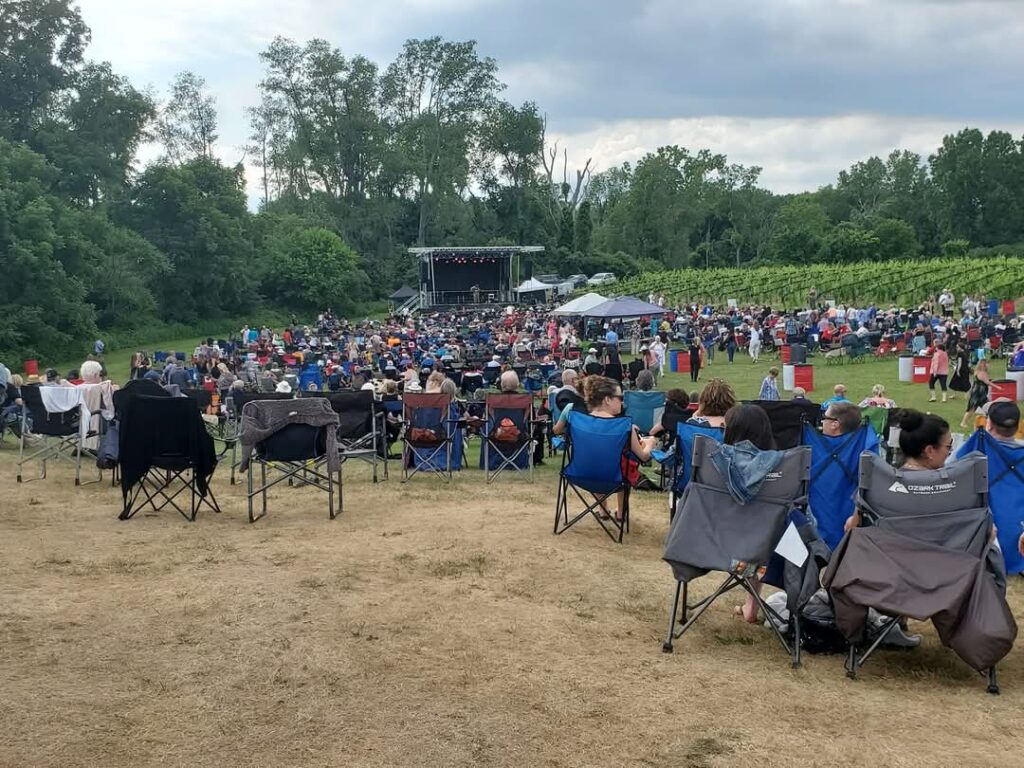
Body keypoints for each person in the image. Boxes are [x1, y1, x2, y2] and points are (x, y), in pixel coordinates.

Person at [552, 375, 656, 522]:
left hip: (578, 475)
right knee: (628, 464)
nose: (622, 401)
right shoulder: (625, 427)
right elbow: (643, 457)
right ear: (607, 399)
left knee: (595, 460)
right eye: (619, 397)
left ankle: (603, 508)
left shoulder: (576, 422)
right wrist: (651, 442)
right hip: (615, 481)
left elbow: (557, 431)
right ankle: (621, 513)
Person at [721, 404, 778, 623]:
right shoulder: (782, 465)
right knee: (762, 531)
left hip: (713, 545)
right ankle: (751, 607)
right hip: (765, 550)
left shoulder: (717, 460)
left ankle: (750, 607)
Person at [961, 358, 991, 429]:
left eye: (986, 363)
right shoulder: (978, 372)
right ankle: (963, 423)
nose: (987, 365)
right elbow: (977, 383)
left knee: (988, 408)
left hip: (982, 395)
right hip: (977, 394)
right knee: (972, 409)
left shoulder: (983, 372)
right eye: (985, 363)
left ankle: (988, 423)